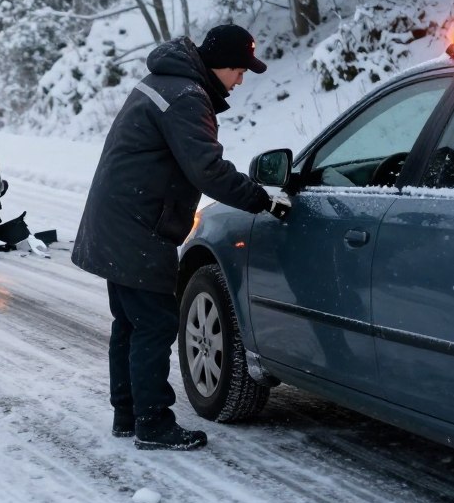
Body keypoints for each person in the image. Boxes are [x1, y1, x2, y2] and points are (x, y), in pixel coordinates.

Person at [72, 24, 290, 450]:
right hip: (138, 224)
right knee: (154, 323)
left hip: (120, 217)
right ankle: (153, 424)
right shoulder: (187, 97)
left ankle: (129, 415)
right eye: (239, 70)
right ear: (220, 64)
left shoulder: (168, 82)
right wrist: (262, 199)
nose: (241, 80)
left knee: (132, 323)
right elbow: (207, 169)